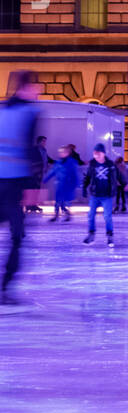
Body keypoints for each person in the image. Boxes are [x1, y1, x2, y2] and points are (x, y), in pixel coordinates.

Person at [0, 69, 41, 307]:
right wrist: (32, 189)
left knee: (16, 235)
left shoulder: (2, 111)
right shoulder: (31, 112)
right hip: (15, 185)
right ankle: (5, 287)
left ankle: (5, 287)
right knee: (17, 236)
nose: (38, 91)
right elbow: (29, 149)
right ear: (26, 87)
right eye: (35, 87)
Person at [82, 145, 118, 247]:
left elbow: (116, 177)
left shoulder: (110, 164)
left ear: (103, 153)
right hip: (95, 195)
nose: (96, 155)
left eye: (98, 153)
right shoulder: (92, 164)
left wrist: (119, 187)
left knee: (107, 216)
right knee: (90, 215)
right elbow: (87, 176)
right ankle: (91, 234)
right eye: (95, 153)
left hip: (107, 195)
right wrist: (84, 187)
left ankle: (110, 236)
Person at [47, 145, 79, 222]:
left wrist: (76, 183)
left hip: (67, 184)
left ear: (68, 153)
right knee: (58, 200)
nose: (61, 153)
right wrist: (46, 179)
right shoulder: (58, 162)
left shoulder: (72, 162)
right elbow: (53, 171)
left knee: (66, 201)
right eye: (60, 152)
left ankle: (67, 214)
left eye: (63, 152)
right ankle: (56, 215)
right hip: (59, 184)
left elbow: (75, 173)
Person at [24, 134, 49, 213]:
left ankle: (33, 205)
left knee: (37, 189)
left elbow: (46, 159)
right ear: (39, 142)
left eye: (45, 141)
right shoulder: (34, 149)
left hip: (41, 172)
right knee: (32, 188)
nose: (45, 143)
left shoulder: (44, 150)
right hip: (34, 172)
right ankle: (28, 206)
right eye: (43, 141)